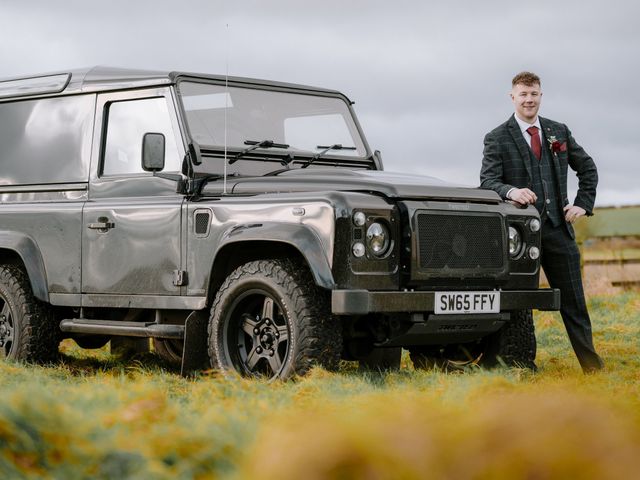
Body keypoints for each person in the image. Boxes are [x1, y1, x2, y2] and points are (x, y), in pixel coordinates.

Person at [480, 71, 604, 373]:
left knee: (574, 304)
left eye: (533, 93)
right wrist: (511, 191)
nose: (528, 99)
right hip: (519, 238)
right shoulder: (496, 137)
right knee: (519, 304)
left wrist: (582, 205)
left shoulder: (557, 131)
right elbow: (488, 181)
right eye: (523, 94)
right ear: (512, 97)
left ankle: (592, 368)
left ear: (540, 95)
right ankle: (522, 365)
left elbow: (588, 169)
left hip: (558, 231)